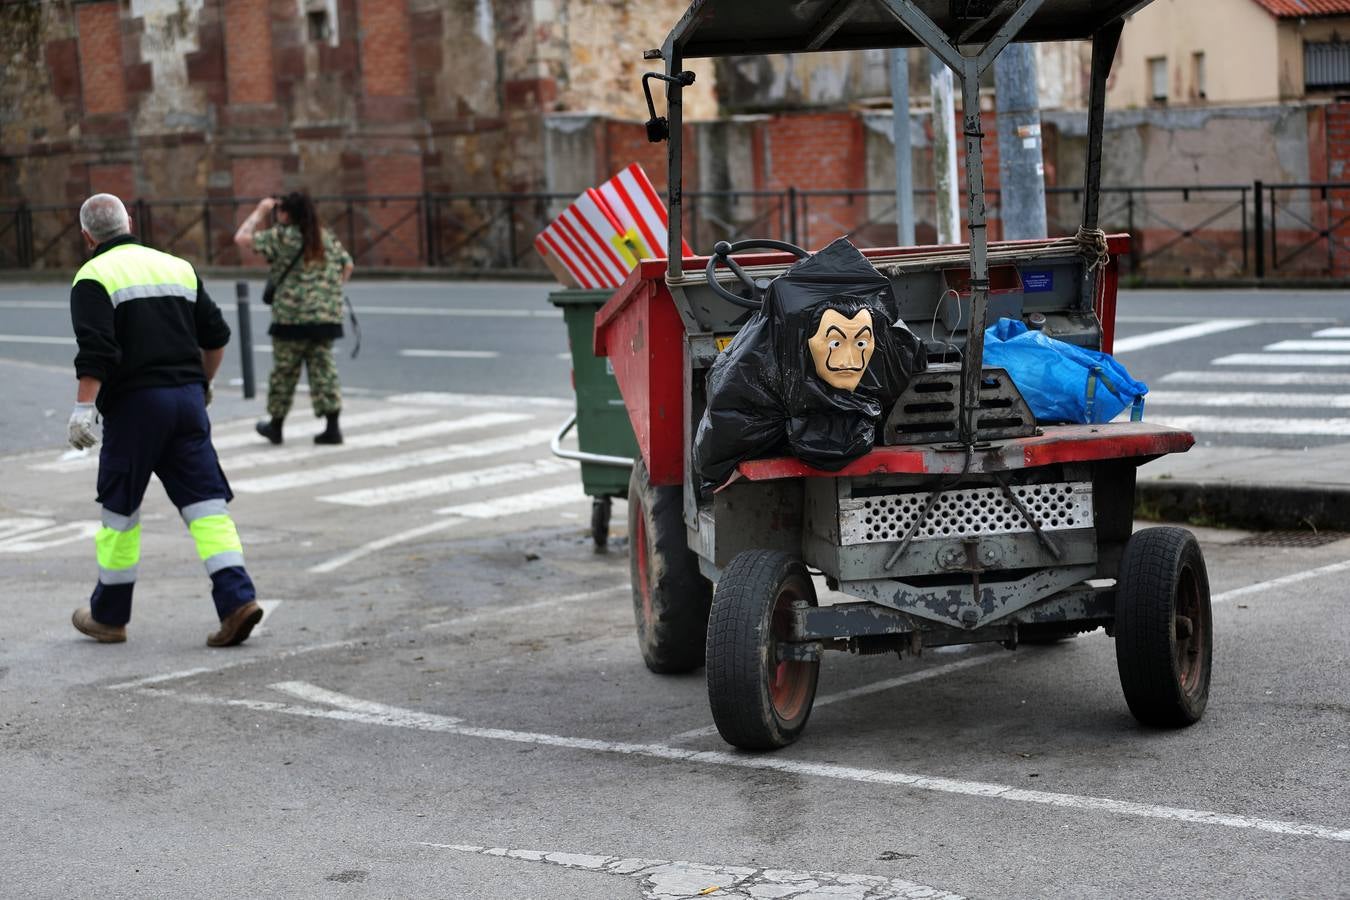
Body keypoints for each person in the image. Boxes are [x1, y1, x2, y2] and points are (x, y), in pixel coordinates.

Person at [67, 193, 262, 647]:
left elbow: (97, 349)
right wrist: (204, 385)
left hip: (136, 408)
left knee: (120, 512)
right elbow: (216, 337)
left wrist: (82, 408)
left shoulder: (93, 275)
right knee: (207, 506)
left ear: (87, 236)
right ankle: (237, 600)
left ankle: (109, 616)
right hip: (187, 402)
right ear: (129, 221)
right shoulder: (177, 267)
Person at [234, 191, 354, 445]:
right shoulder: (325, 237)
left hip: (290, 319)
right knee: (324, 370)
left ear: (286, 213)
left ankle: (276, 426)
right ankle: (332, 426)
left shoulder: (283, 236)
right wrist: (329, 292)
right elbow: (348, 265)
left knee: (285, 372)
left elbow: (242, 238)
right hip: (325, 317)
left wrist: (261, 211)